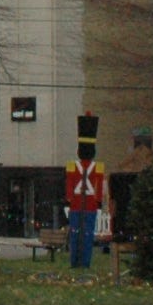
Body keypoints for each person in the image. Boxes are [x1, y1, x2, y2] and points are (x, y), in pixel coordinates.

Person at [65, 115, 106, 269]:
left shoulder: (71, 165)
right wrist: (99, 203)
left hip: (77, 205)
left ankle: (76, 262)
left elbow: (69, 186)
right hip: (89, 206)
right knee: (86, 235)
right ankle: (84, 263)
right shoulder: (99, 167)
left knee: (76, 234)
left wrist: (68, 199)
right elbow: (99, 189)